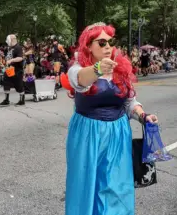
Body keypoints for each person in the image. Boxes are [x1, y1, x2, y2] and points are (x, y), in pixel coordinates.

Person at [65, 22, 158, 215]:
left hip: (118, 133)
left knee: (117, 187)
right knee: (87, 186)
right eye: (101, 43)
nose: (108, 47)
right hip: (87, 135)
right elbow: (80, 80)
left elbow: (129, 102)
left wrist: (143, 116)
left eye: (110, 42)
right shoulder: (78, 68)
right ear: (88, 46)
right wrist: (98, 68)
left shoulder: (120, 68)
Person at [0, 34, 25, 107]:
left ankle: (22, 100)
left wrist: (11, 60)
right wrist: (4, 63)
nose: (7, 42)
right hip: (9, 69)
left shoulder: (18, 47)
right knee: (6, 83)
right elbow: (8, 57)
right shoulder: (10, 48)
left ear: (12, 39)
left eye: (8, 40)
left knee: (18, 85)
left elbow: (20, 58)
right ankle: (6, 100)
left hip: (17, 70)